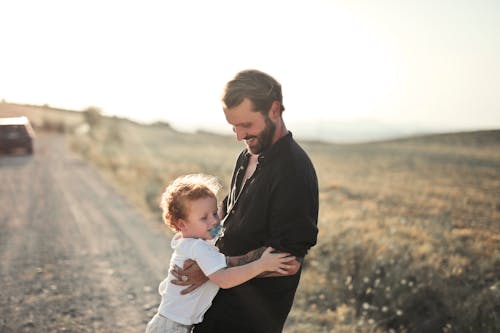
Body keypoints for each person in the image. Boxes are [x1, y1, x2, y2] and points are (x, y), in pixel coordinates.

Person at [171, 69, 319, 333]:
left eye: (247, 125)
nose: (239, 136)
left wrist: (210, 270)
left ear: (274, 110)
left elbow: (288, 261)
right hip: (213, 305)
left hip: (249, 318)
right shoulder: (246, 156)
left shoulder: (294, 171)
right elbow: (227, 220)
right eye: (234, 126)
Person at [145, 174, 294, 333]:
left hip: (168, 324)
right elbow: (224, 279)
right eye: (204, 218)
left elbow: (217, 229)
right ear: (182, 224)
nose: (214, 221)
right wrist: (261, 265)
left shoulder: (186, 241)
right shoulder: (198, 248)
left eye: (214, 213)